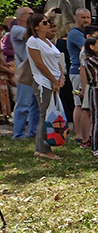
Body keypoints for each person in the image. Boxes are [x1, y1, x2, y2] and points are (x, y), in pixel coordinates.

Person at [27, 12, 64, 159]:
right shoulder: (33, 41)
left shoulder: (48, 41)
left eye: (48, 21)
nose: (48, 24)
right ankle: (43, 150)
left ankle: (42, 147)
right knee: (45, 116)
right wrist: (53, 80)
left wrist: (61, 76)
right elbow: (39, 63)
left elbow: (57, 60)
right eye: (44, 22)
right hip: (43, 82)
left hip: (54, 82)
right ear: (36, 27)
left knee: (51, 115)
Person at [10, 7, 39, 141]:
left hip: (36, 70)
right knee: (23, 104)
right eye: (31, 14)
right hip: (25, 71)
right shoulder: (16, 29)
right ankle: (19, 134)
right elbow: (28, 34)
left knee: (36, 104)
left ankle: (33, 131)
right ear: (22, 17)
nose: (34, 17)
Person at [67, 8, 93, 145]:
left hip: (85, 71)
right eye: (83, 17)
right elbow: (88, 48)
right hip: (78, 72)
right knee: (79, 103)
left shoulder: (84, 33)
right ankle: (79, 135)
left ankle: (87, 133)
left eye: (88, 17)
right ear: (76, 18)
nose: (86, 20)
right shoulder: (75, 34)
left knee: (86, 104)